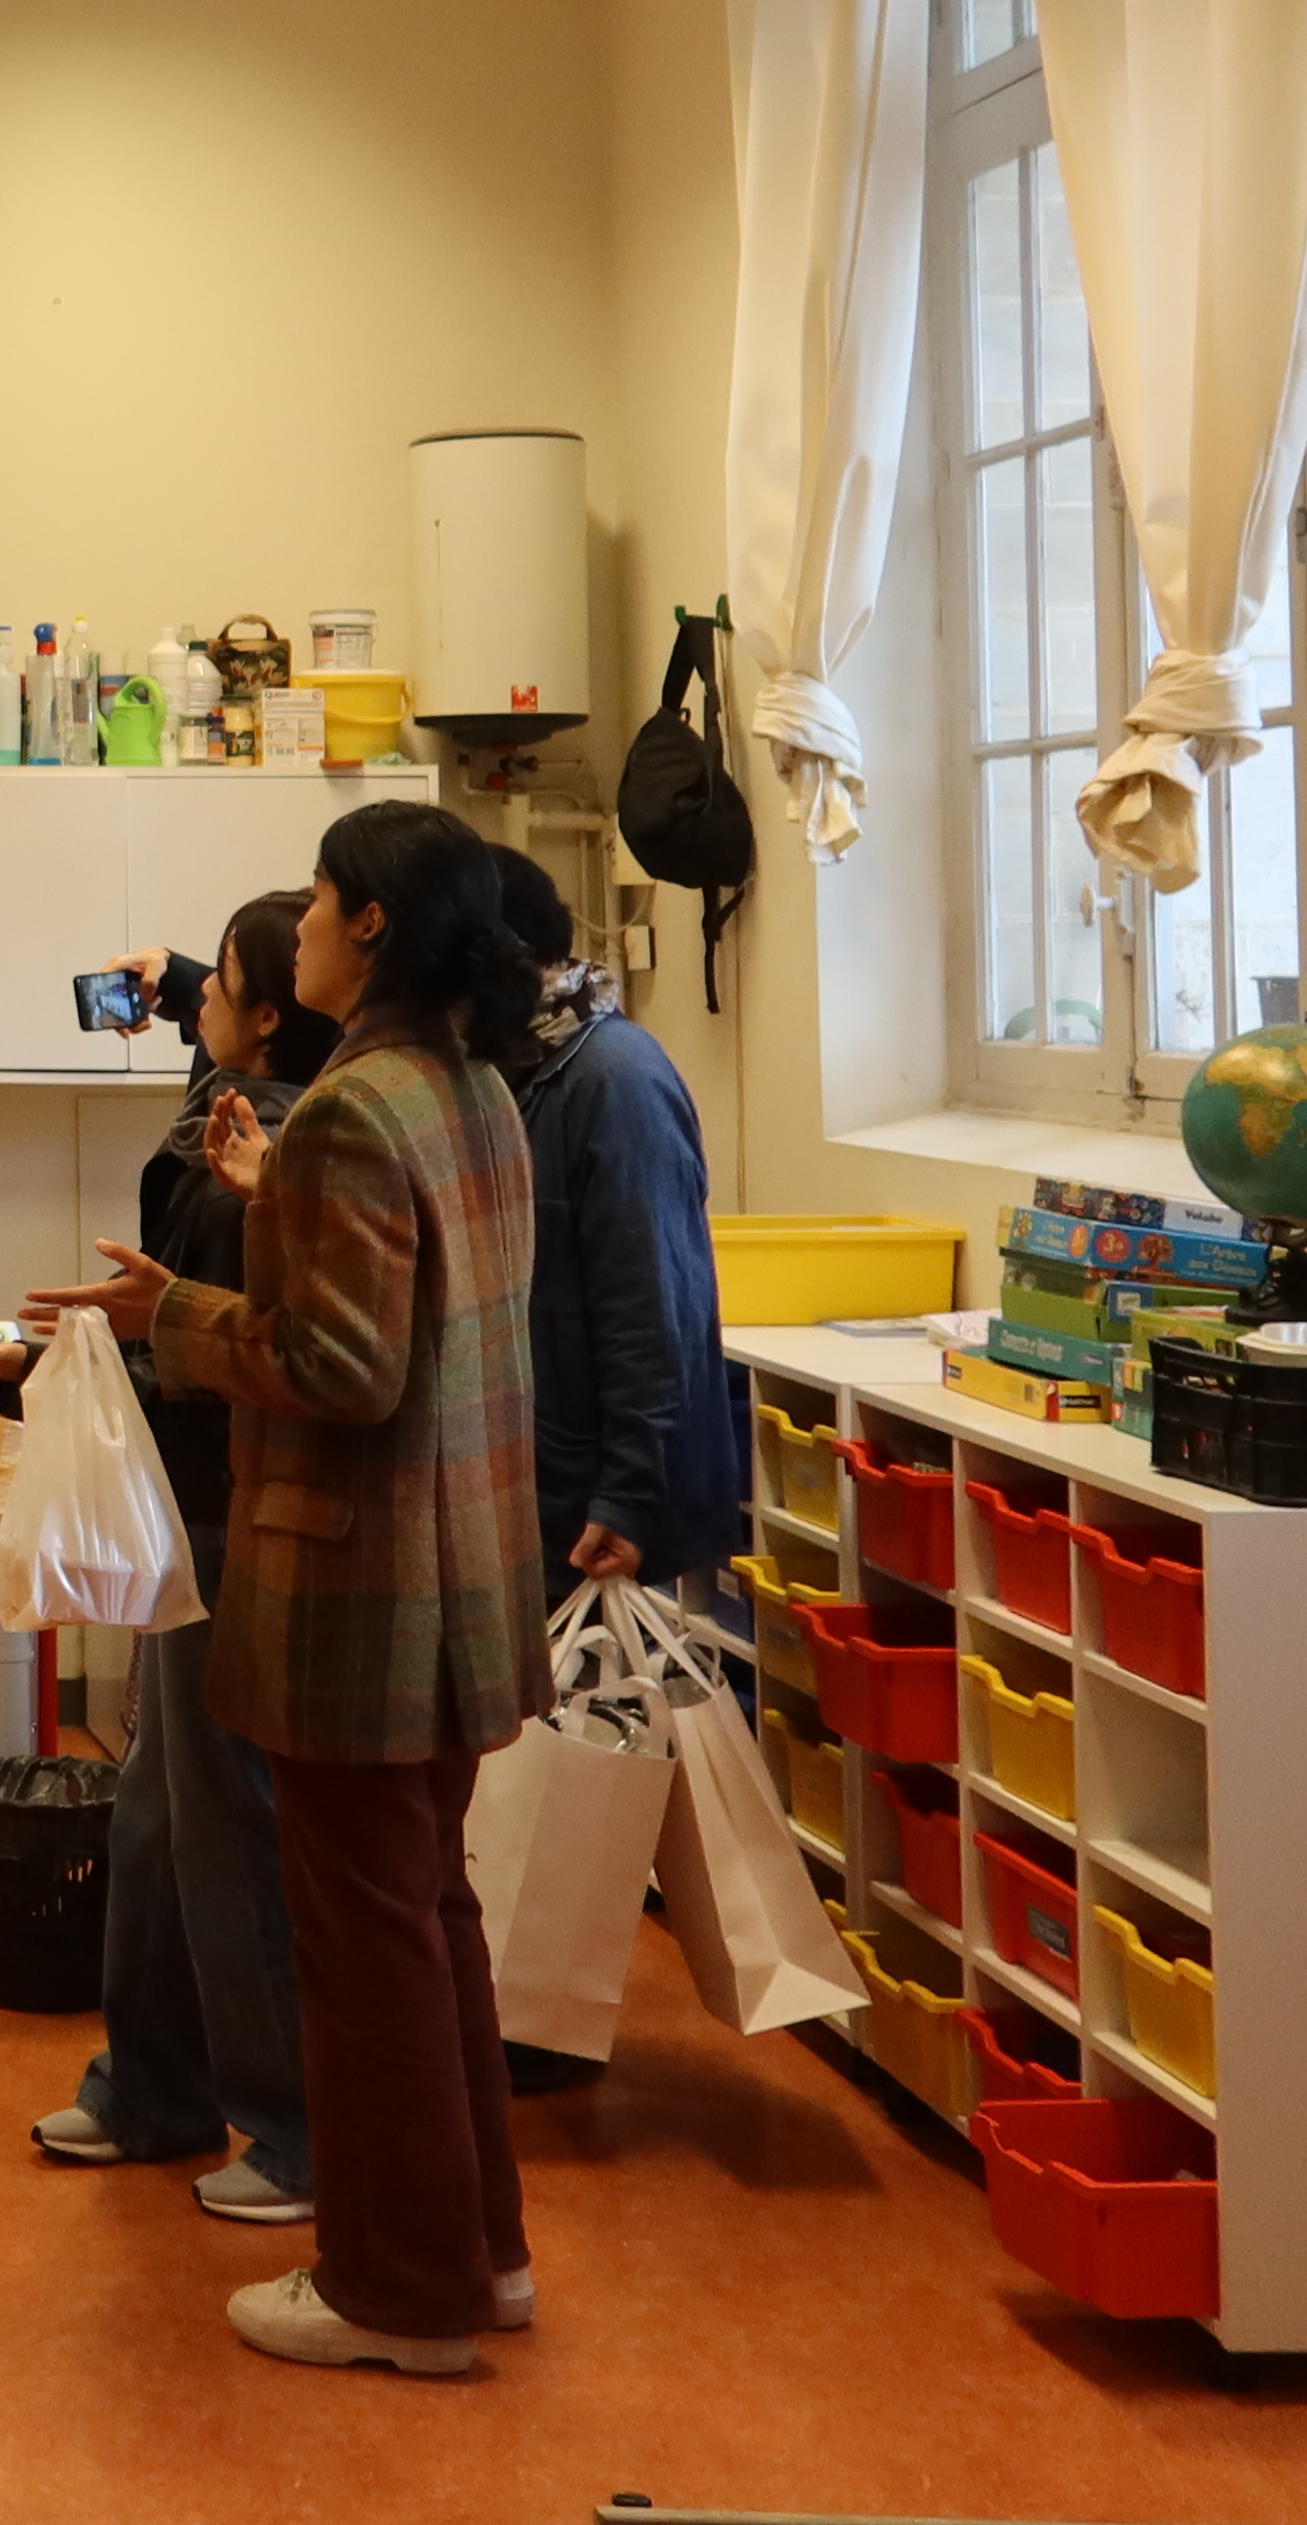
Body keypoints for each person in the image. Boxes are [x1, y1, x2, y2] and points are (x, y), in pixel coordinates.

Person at [40, 797, 543, 2378]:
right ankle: (483, 2252)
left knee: (365, 1943)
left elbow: (335, 1362)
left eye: (319, 905)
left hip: (356, 1587)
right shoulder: (473, 1094)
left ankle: (400, 2289)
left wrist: (172, 1313)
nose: (298, 927)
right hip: (463, 1578)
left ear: (372, 928)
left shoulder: (344, 1112)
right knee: (432, 1919)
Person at [18, 896, 343, 2221]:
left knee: (225, 1830)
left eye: (222, 991)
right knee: (157, 1817)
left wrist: (44, 1377)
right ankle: (148, 2084)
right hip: (184, 1506)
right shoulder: (252, 1092)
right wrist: (182, 987)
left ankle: (289, 2132)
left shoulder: (265, 1160)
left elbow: (215, 1357)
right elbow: (234, 1032)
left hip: (221, 1512)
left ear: (270, 1015)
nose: (194, 1008)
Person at [482, 845, 748, 2090]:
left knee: (571, 1764)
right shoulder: (530, 1067)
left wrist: (631, 1496)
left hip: (589, 1484)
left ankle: (537, 2028)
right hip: (537, 1469)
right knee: (534, 1762)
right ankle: (520, 2010)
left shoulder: (613, 1083)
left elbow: (659, 1307)